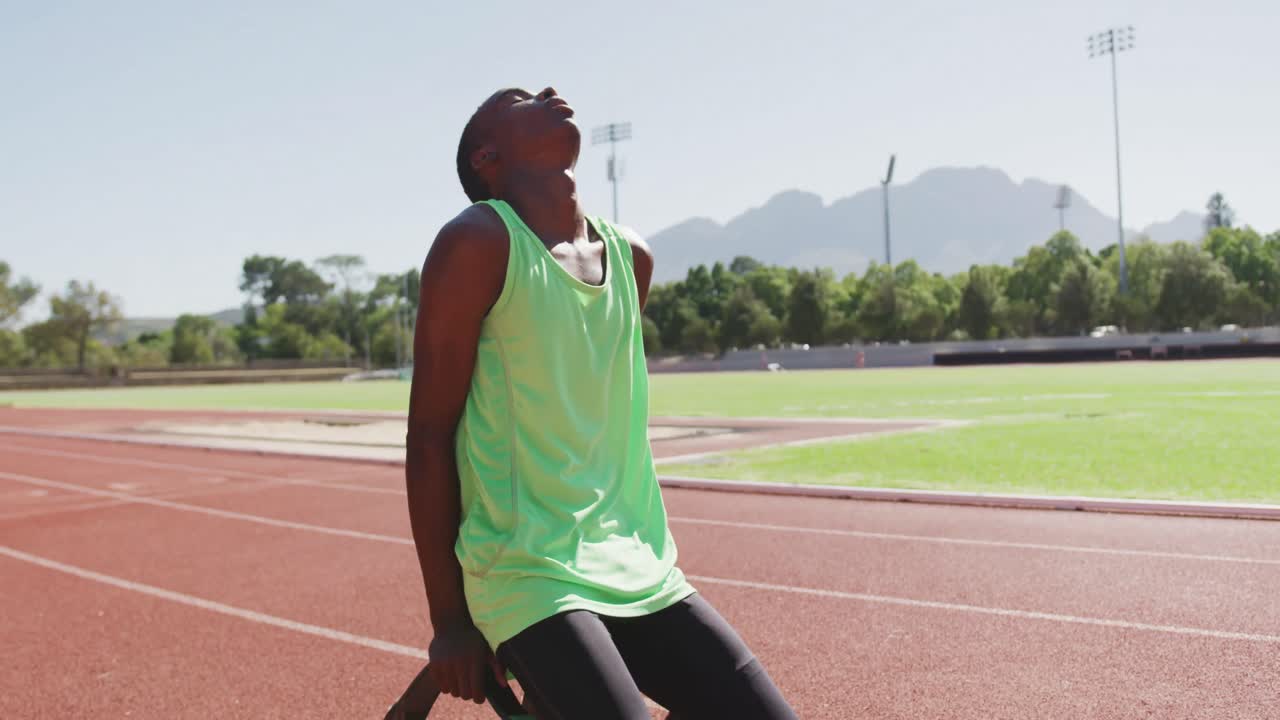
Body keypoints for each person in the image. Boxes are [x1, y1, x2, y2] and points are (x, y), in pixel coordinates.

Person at [405, 86, 797, 719]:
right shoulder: (477, 242)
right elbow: (428, 435)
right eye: (522, 98)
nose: (552, 94)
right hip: (528, 570)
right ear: (487, 156)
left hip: (640, 565)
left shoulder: (631, 257)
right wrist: (450, 621)